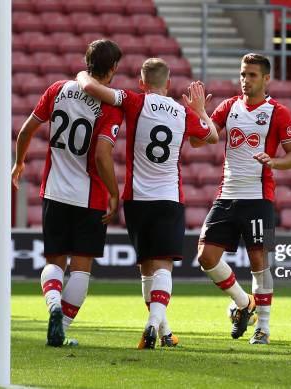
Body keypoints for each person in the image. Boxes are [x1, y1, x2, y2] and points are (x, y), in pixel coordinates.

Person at [77, 58, 219, 349]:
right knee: (163, 267)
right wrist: (201, 111)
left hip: (137, 199)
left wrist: (82, 74)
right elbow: (212, 137)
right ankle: (157, 327)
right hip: (168, 198)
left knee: (146, 268)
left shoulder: (133, 101)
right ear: (168, 84)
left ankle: (159, 330)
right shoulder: (182, 112)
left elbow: (92, 87)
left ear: (142, 83)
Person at [11, 39, 123, 347]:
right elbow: (102, 155)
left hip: (55, 192)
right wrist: (115, 193)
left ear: (86, 61)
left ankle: (53, 306)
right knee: (81, 271)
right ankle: (61, 328)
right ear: (113, 69)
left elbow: (25, 131)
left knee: (54, 261)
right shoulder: (109, 105)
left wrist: (19, 163)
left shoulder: (57, 89)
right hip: (90, 197)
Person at [197, 53, 291, 344]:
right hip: (226, 195)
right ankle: (244, 303)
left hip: (259, 198)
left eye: (252, 75)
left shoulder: (278, 112)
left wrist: (273, 161)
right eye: (243, 74)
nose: (245, 80)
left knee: (260, 261)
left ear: (266, 79)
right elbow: (198, 140)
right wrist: (200, 114)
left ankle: (263, 327)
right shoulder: (228, 106)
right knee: (205, 256)